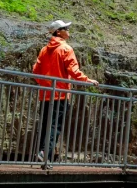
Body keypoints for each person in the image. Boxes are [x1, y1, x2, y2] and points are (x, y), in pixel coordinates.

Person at [32, 20, 97, 163]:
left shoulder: (44, 50)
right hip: (60, 95)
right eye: (66, 28)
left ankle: (41, 152)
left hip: (45, 94)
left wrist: (45, 84)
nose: (68, 30)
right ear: (58, 32)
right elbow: (73, 71)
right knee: (55, 126)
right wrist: (87, 80)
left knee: (45, 125)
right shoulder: (66, 49)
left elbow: (36, 71)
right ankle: (45, 154)